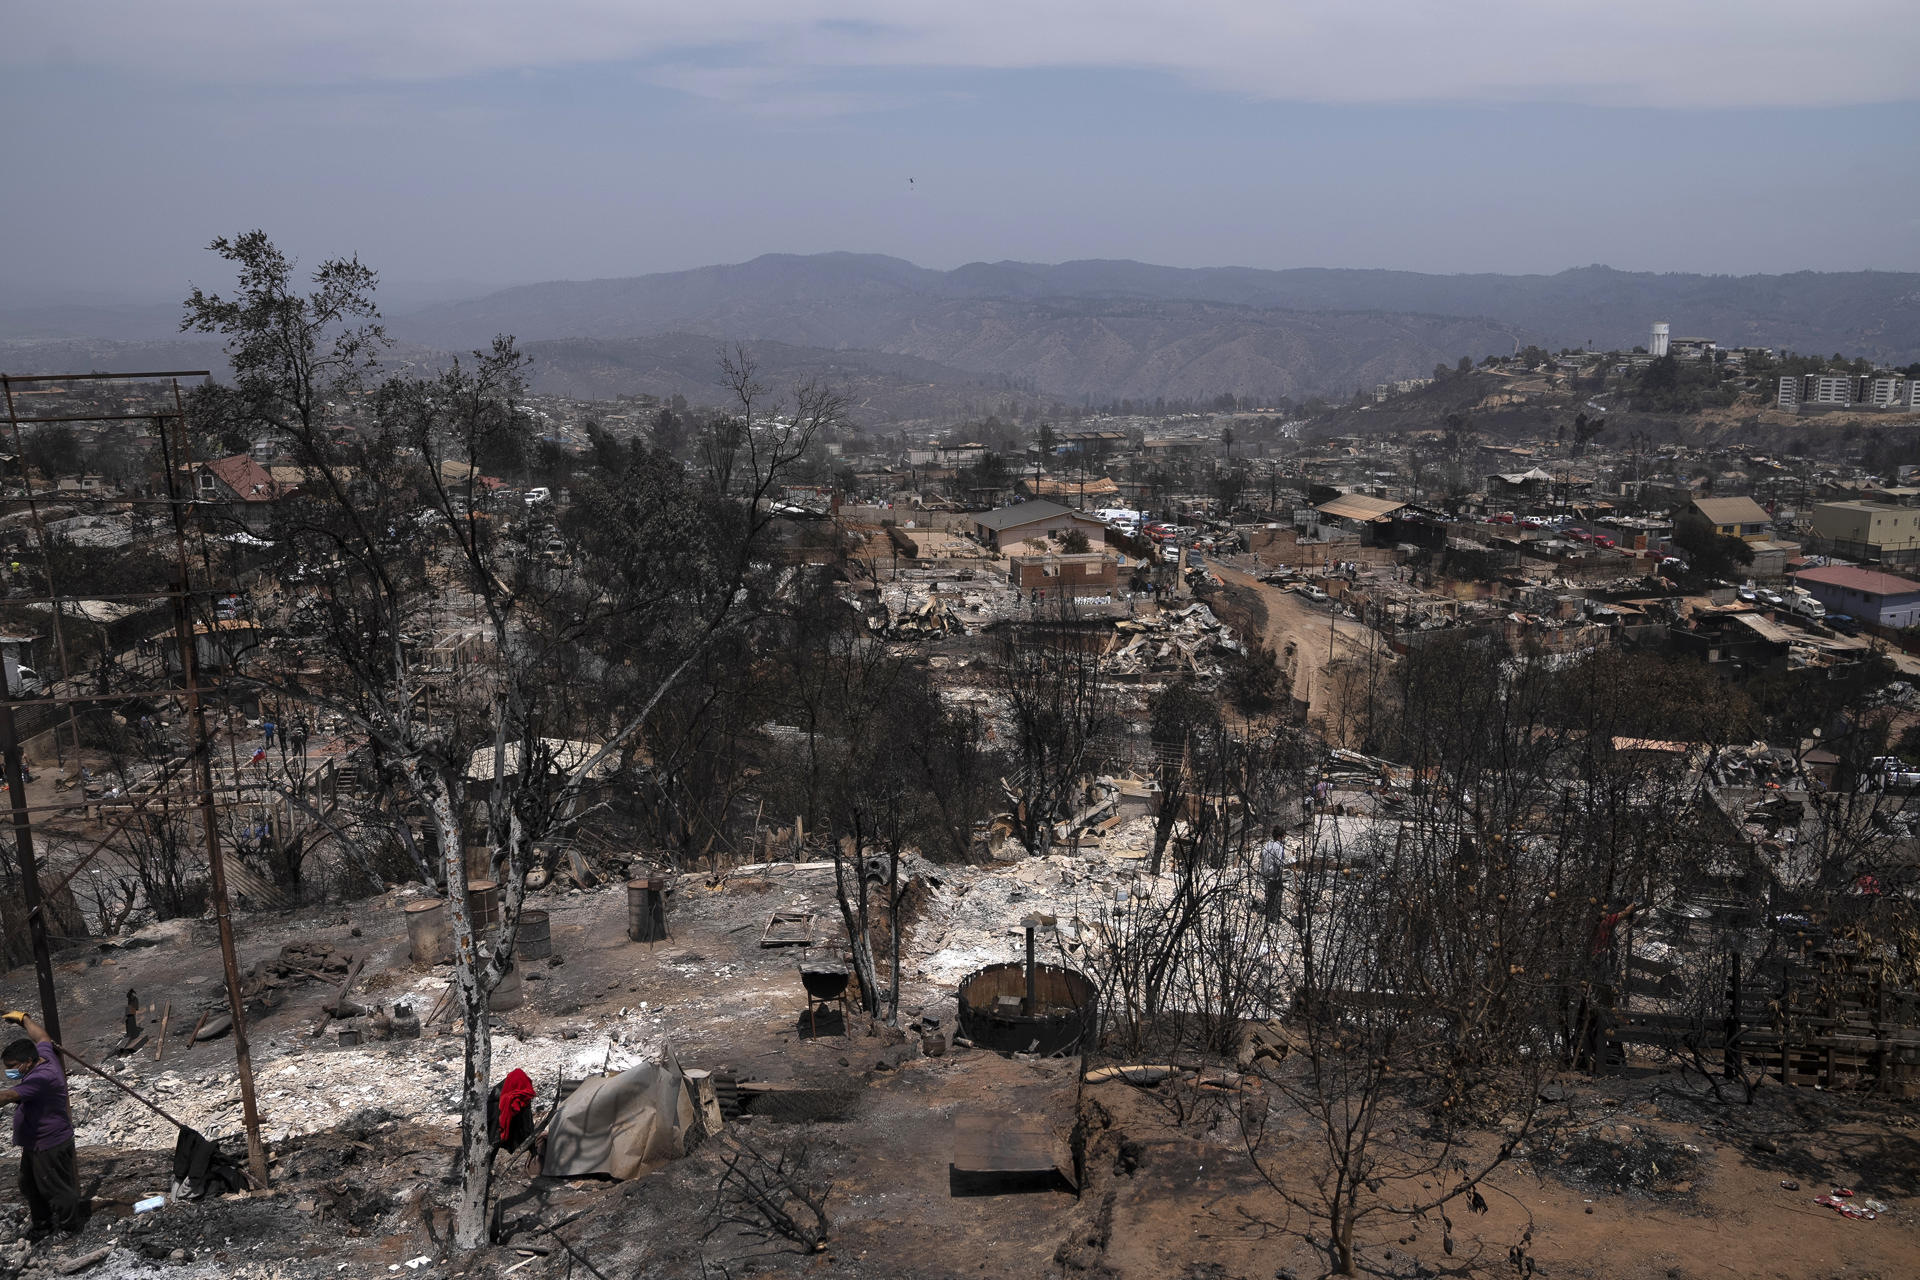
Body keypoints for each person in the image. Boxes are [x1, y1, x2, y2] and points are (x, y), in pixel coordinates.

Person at [0, 1012, 87, 1239]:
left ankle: (70, 1228)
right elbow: (43, 1038)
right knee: (29, 1184)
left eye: (12, 1066)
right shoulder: (43, 1056)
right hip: (35, 1141)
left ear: (28, 1062)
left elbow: (8, 1095)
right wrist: (24, 1019)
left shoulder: (41, 1079)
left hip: (49, 1143)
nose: (8, 1071)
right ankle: (42, 1223)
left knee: (55, 1189)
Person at [1258, 825, 1290, 922]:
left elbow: (1261, 856)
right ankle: (1274, 918)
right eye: (1284, 837)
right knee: (1277, 896)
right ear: (1280, 836)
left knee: (1270, 896)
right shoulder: (1278, 847)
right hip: (1274, 875)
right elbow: (1279, 862)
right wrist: (1291, 861)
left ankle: (1269, 915)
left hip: (1265, 873)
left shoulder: (1267, 844)